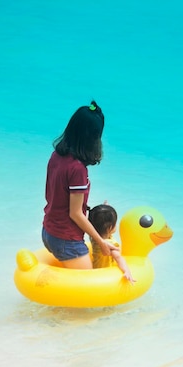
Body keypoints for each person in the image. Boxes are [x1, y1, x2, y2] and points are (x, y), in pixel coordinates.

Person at [41, 101, 117, 269]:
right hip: (66, 240)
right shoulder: (77, 169)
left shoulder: (56, 156)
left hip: (48, 231)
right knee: (91, 291)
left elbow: (58, 196)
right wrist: (101, 242)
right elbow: (75, 214)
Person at [88, 204, 135, 283]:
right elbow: (118, 257)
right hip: (103, 274)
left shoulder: (94, 237)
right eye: (115, 223)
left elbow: (96, 222)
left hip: (96, 268)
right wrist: (126, 270)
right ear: (110, 227)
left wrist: (104, 210)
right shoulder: (110, 244)